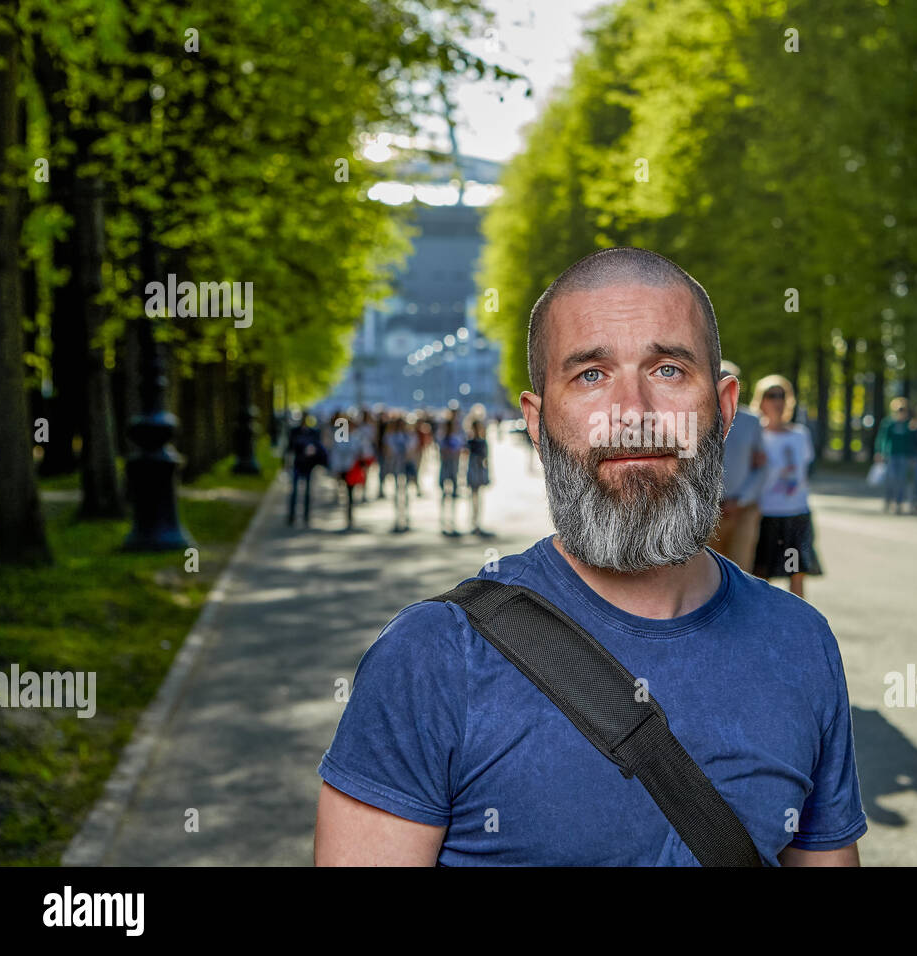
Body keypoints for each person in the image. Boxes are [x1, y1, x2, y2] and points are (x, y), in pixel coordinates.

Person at [315, 247, 865, 866]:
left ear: (725, 406)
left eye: (668, 371)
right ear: (538, 420)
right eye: (590, 375)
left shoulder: (801, 643)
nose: (633, 414)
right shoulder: (429, 659)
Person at [749, 375, 823, 599]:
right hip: (767, 514)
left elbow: (804, 470)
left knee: (796, 571)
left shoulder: (801, 435)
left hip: (796, 514)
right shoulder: (757, 435)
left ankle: (797, 626)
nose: (777, 401)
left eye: (782, 395)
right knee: (762, 574)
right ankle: (759, 625)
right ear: (761, 401)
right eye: (771, 395)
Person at [707, 360, 769, 571]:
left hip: (743, 510)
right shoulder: (695, 419)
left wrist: (741, 500)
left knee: (740, 570)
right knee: (708, 574)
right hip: (707, 510)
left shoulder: (752, 422)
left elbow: (762, 467)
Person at [286, 412, 327, 527]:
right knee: (294, 490)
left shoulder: (313, 433)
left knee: (307, 491)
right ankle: (292, 515)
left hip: (309, 465)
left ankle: (306, 515)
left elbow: (319, 448)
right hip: (298, 464)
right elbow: (290, 448)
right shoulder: (294, 431)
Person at [875, 397, 913, 514]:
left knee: (901, 480)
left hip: (903, 456)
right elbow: (882, 438)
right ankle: (888, 500)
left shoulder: (909, 425)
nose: (900, 413)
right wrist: (879, 451)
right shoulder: (889, 423)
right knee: (890, 479)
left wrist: (912, 455)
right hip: (891, 455)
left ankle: (899, 502)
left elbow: (911, 441)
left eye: (902, 410)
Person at [382, 416, 416, 533]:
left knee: (406, 492)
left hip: (405, 466)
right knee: (397, 492)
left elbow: (412, 451)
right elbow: (388, 451)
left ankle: (406, 517)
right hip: (396, 466)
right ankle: (397, 518)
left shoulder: (408, 437)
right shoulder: (391, 436)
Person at [437, 409, 465, 537]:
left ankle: (451, 521)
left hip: (454, 467)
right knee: (444, 494)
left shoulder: (457, 436)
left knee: (452, 495)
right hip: (447, 467)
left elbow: (461, 450)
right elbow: (442, 452)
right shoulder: (443, 437)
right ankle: (444, 521)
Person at [465, 415, 494, 537]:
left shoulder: (482, 442)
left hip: (478, 471)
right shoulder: (470, 442)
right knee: (473, 498)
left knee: (477, 498)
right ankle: (473, 522)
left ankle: (477, 522)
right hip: (473, 471)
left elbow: (486, 459)